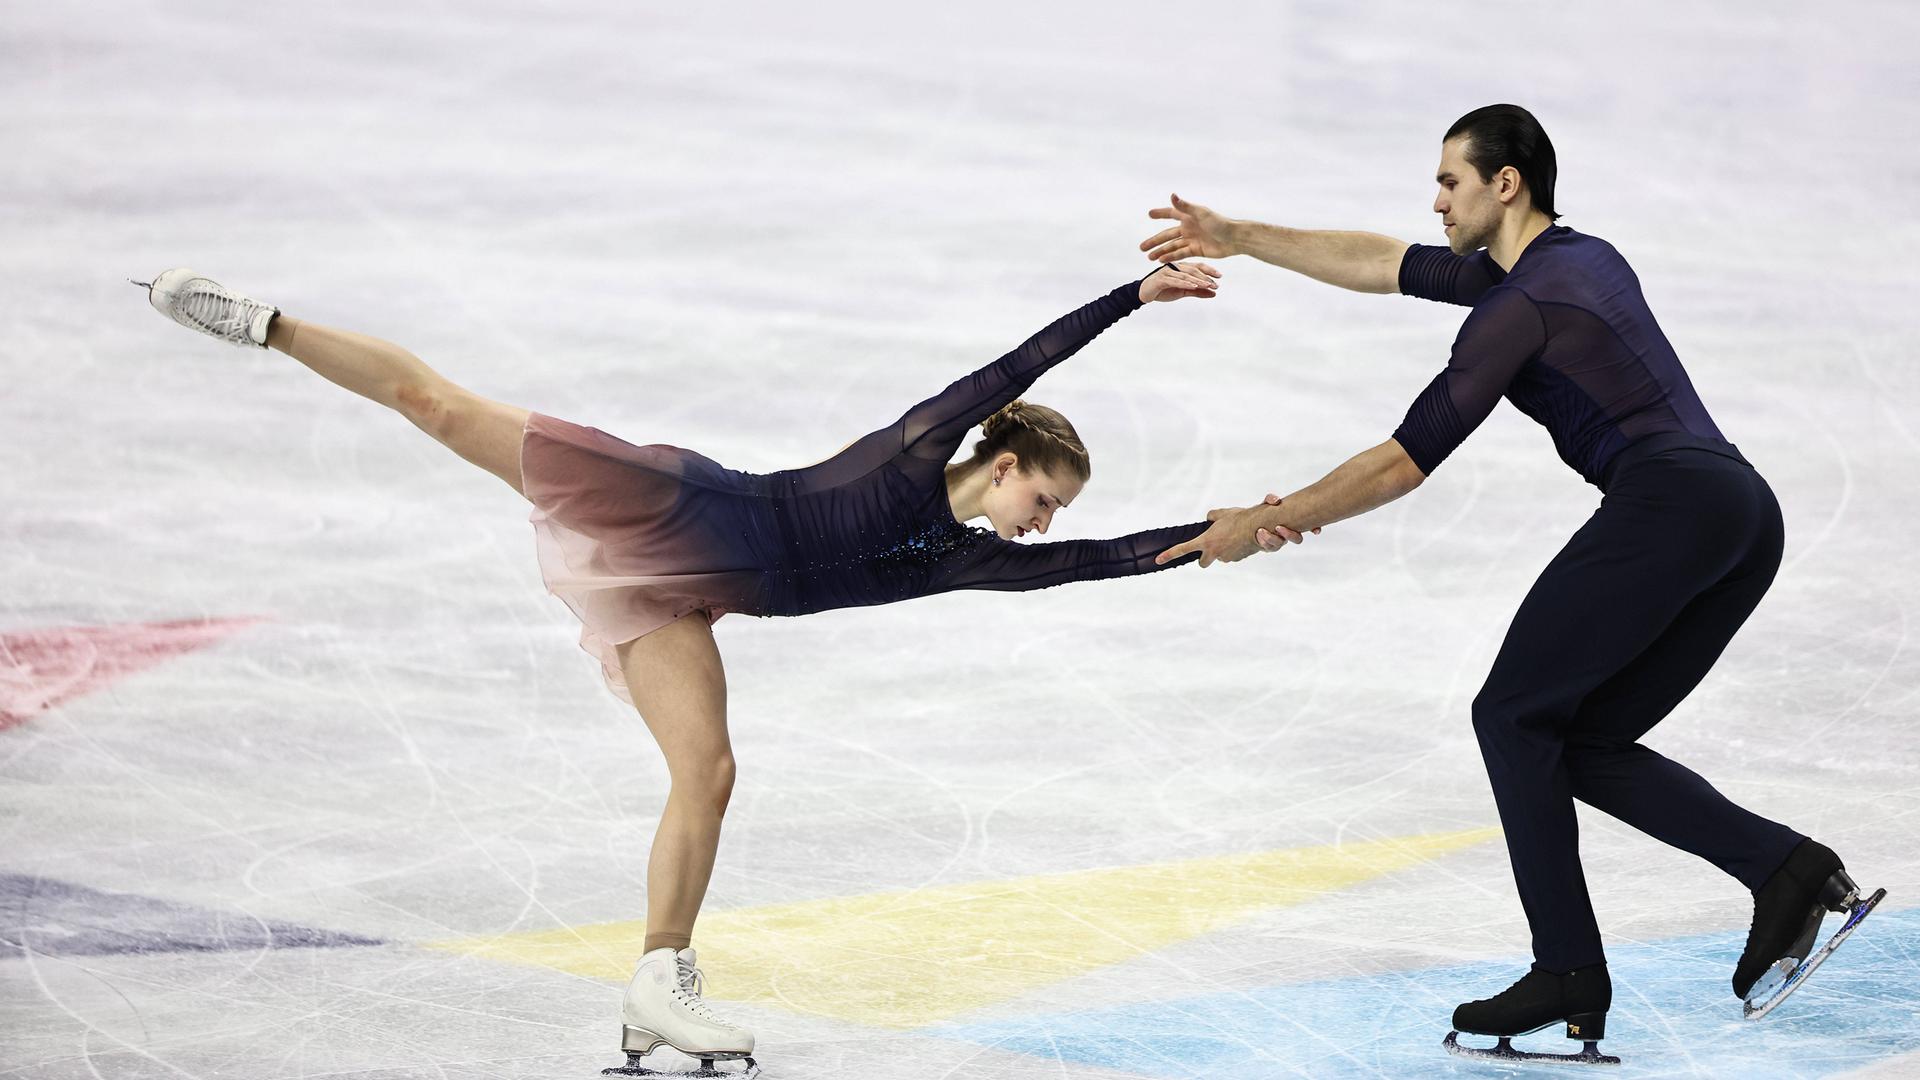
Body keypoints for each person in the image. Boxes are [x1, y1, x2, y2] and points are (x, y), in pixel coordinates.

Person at [134, 258, 1276, 1078]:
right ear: (1008, 459)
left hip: (683, 598)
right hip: (673, 501)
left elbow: (1096, 563)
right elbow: (1019, 360)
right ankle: (263, 323)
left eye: (1053, 513)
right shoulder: (925, 446)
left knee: (710, 771)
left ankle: (657, 979)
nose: (1042, 523)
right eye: (1043, 498)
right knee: (438, 406)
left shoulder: (962, 564)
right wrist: (1133, 298)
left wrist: (1215, 537)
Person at [1142, 104, 1881, 1064]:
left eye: (1452, 180)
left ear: (1507, 183)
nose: (1436, 198)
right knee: (1578, 738)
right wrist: (1242, 237)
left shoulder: (1518, 309)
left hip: (1667, 506)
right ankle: (1785, 868)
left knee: (1511, 715)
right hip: (1742, 513)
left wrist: (1263, 521)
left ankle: (1570, 969)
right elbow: (1382, 263)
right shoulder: (1580, 260)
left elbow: (1406, 460)